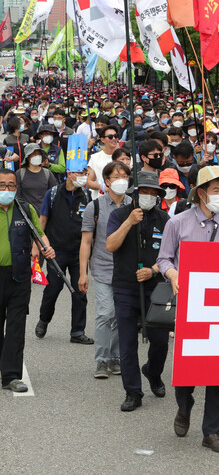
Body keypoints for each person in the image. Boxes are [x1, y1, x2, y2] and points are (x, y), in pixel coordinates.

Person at [158, 166, 219, 453]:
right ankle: (184, 405)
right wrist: (174, 275)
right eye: (216, 190)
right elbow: (164, 259)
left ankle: (213, 431)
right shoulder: (177, 223)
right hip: (188, 305)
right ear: (201, 193)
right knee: (187, 369)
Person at [106, 171, 171, 412]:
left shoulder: (165, 219)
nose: (148, 196)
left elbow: (172, 254)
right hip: (125, 286)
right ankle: (133, 391)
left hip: (156, 288)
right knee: (127, 343)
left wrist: (154, 270)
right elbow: (110, 244)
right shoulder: (119, 214)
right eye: (144, 191)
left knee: (160, 341)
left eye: (153, 192)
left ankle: (153, 372)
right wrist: (128, 223)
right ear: (135, 193)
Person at [0, 168, 55, 392]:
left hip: (18, 276)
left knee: (15, 327)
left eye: (11, 185)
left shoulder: (24, 208)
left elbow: (38, 232)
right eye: (2, 185)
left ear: (17, 187)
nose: (6, 189)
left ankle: (11, 376)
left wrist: (46, 245)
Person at [79, 161, 131, 378]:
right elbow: (86, 242)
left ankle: (116, 357)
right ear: (107, 182)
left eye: (125, 176)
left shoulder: (134, 205)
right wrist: (83, 272)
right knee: (105, 313)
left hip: (125, 270)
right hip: (101, 268)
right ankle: (102, 360)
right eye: (116, 176)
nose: (121, 180)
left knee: (121, 315)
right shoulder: (95, 206)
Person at [33, 167, 94, 344]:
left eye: (85, 173)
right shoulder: (52, 194)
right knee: (54, 288)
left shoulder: (87, 196)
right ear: (69, 174)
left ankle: (77, 331)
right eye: (80, 173)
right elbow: (42, 221)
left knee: (79, 291)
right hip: (56, 251)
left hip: (78, 251)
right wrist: (37, 246)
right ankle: (44, 319)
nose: (84, 177)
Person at [16, 143, 58, 212]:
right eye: (34, 154)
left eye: (39, 154)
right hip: (27, 214)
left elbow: (53, 195)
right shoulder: (20, 173)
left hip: (44, 213)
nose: (37, 156)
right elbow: (17, 197)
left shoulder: (47, 173)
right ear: (28, 157)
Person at [87, 124, 121, 199]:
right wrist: (103, 187)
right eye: (110, 137)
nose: (114, 139)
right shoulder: (94, 158)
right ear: (102, 139)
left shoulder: (125, 157)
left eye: (115, 136)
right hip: (101, 200)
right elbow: (89, 182)